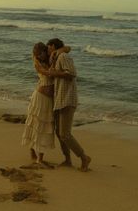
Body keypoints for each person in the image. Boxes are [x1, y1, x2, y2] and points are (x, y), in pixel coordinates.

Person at [22, 42, 71, 168]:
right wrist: (64, 74)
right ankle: (36, 156)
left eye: (41, 54)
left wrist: (58, 51)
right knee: (36, 124)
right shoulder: (37, 63)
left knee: (44, 126)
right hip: (40, 97)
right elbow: (47, 73)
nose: (39, 56)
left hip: (49, 100)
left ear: (45, 51)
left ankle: (38, 156)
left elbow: (68, 48)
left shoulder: (50, 57)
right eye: (37, 55)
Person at [46, 38, 91, 172]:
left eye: (49, 48)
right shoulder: (57, 57)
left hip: (67, 99)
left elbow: (71, 74)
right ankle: (67, 160)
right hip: (60, 99)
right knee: (60, 133)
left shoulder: (63, 56)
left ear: (53, 46)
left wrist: (54, 73)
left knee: (65, 134)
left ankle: (84, 157)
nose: (48, 51)